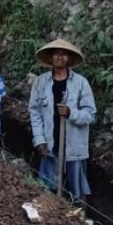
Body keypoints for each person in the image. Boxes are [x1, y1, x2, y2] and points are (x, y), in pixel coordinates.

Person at [29, 39, 96, 202]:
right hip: (50, 145)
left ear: (69, 58)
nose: (60, 57)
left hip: (74, 146)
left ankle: (81, 221)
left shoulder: (81, 83)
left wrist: (71, 113)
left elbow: (91, 114)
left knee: (78, 189)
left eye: (63, 54)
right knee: (47, 186)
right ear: (51, 57)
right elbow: (35, 112)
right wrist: (39, 139)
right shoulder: (41, 82)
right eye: (56, 54)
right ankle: (51, 218)